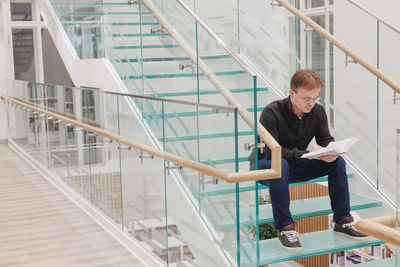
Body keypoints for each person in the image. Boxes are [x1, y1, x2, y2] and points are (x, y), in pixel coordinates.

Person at [252, 69, 369, 251]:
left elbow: (325, 140)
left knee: (337, 162)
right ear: (292, 93)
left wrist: (331, 151)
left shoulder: (317, 111)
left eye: (315, 98)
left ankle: (342, 220)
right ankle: (285, 228)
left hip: (296, 164)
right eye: (307, 99)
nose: (312, 103)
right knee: (280, 163)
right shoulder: (271, 112)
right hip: (266, 166)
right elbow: (271, 152)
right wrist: (306, 152)